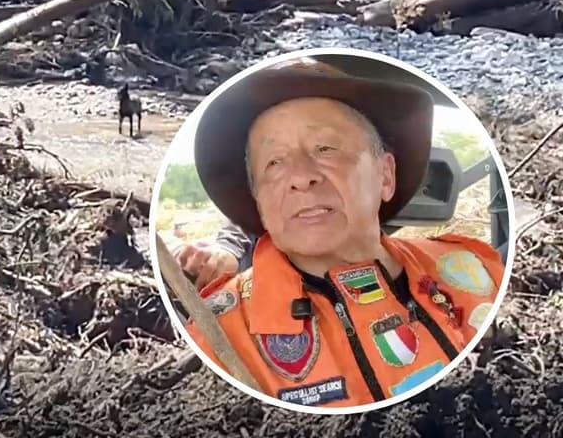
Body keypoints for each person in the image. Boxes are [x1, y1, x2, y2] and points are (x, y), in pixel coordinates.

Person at [181, 55, 505, 409]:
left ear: (385, 175)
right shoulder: (217, 338)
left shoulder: (477, 272)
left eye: (325, 149)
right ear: (258, 199)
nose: (300, 176)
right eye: (273, 162)